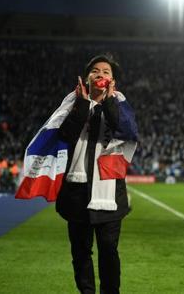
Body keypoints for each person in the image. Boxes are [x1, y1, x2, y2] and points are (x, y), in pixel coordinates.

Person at [55, 55, 138, 294]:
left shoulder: (120, 104)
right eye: (95, 71)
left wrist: (110, 101)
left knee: (109, 250)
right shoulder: (72, 103)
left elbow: (127, 132)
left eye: (106, 72)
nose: (101, 74)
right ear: (86, 78)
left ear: (113, 81)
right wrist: (82, 104)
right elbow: (65, 136)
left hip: (109, 192)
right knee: (81, 252)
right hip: (76, 192)